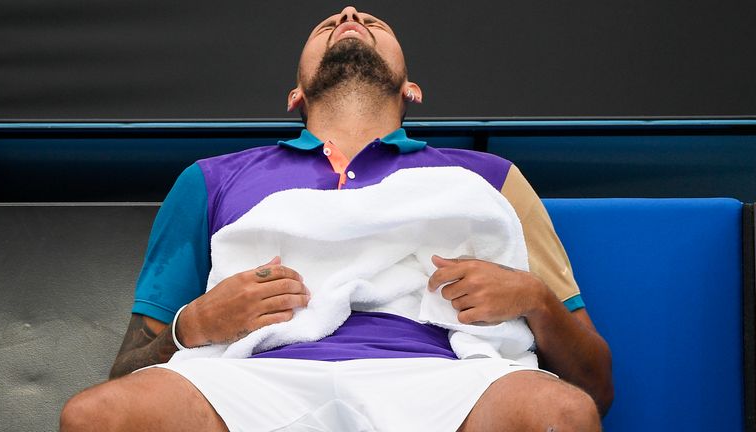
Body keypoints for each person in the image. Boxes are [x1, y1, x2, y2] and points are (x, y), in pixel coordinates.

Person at [60, 6, 613, 431]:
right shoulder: (209, 180)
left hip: (447, 380)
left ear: (410, 89)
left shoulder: (492, 178)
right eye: (331, 23)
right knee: (94, 418)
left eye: (371, 20)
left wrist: (534, 299)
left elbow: (596, 389)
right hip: (250, 381)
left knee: (558, 413)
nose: (349, 16)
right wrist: (194, 325)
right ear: (295, 94)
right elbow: (127, 371)